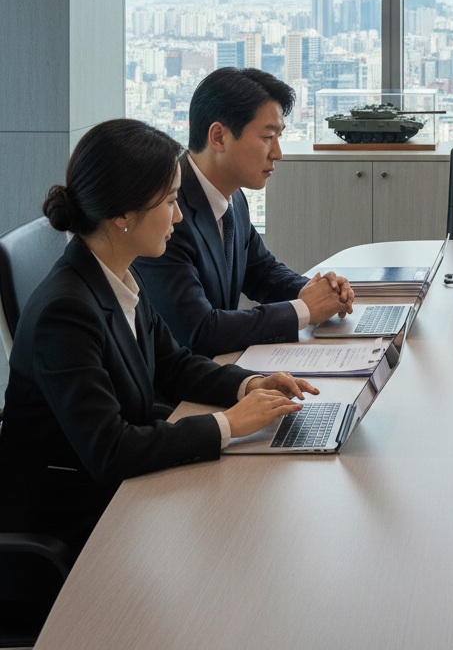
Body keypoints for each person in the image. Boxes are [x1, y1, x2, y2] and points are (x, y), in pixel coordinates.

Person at [0, 119, 319, 556]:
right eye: (170, 200)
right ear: (121, 214)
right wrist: (230, 424)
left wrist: (248, 384)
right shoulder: (65, 312)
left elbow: (173, 363)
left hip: (118, 501)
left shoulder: (117, 273)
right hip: (70, 529)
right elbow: (109, 449)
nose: (180, 214)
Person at [134, 68, 353, 357]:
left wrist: (320, 291)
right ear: (219, 137)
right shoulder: (166, 213)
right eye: (267, 137)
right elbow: (199, 331)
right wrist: (303, 310)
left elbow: (261, 272)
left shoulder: (233, 197)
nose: (278, 152)